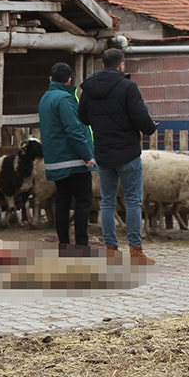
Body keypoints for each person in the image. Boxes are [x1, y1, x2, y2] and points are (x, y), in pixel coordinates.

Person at [78, 48, 157, 265]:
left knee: (107, 202)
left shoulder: (89, 89)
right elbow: (140, 116)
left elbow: (83, 118)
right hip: (128, 152)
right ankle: (136, 251)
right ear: (121, 64)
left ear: (103, 64)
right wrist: (150, 128)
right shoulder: (127, 86)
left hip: (103, 152)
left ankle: (111, 250)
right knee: (132, 201)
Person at [37, 62, 97, 255]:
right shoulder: (65, 99)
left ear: (50, 78)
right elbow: (74, 130)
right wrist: (87, 155)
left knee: (62, 201)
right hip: (74, 161)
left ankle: (64, 244)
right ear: (70, 80)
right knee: (83, 201)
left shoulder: (45, 98)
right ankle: (81, 244)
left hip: (56, 160)